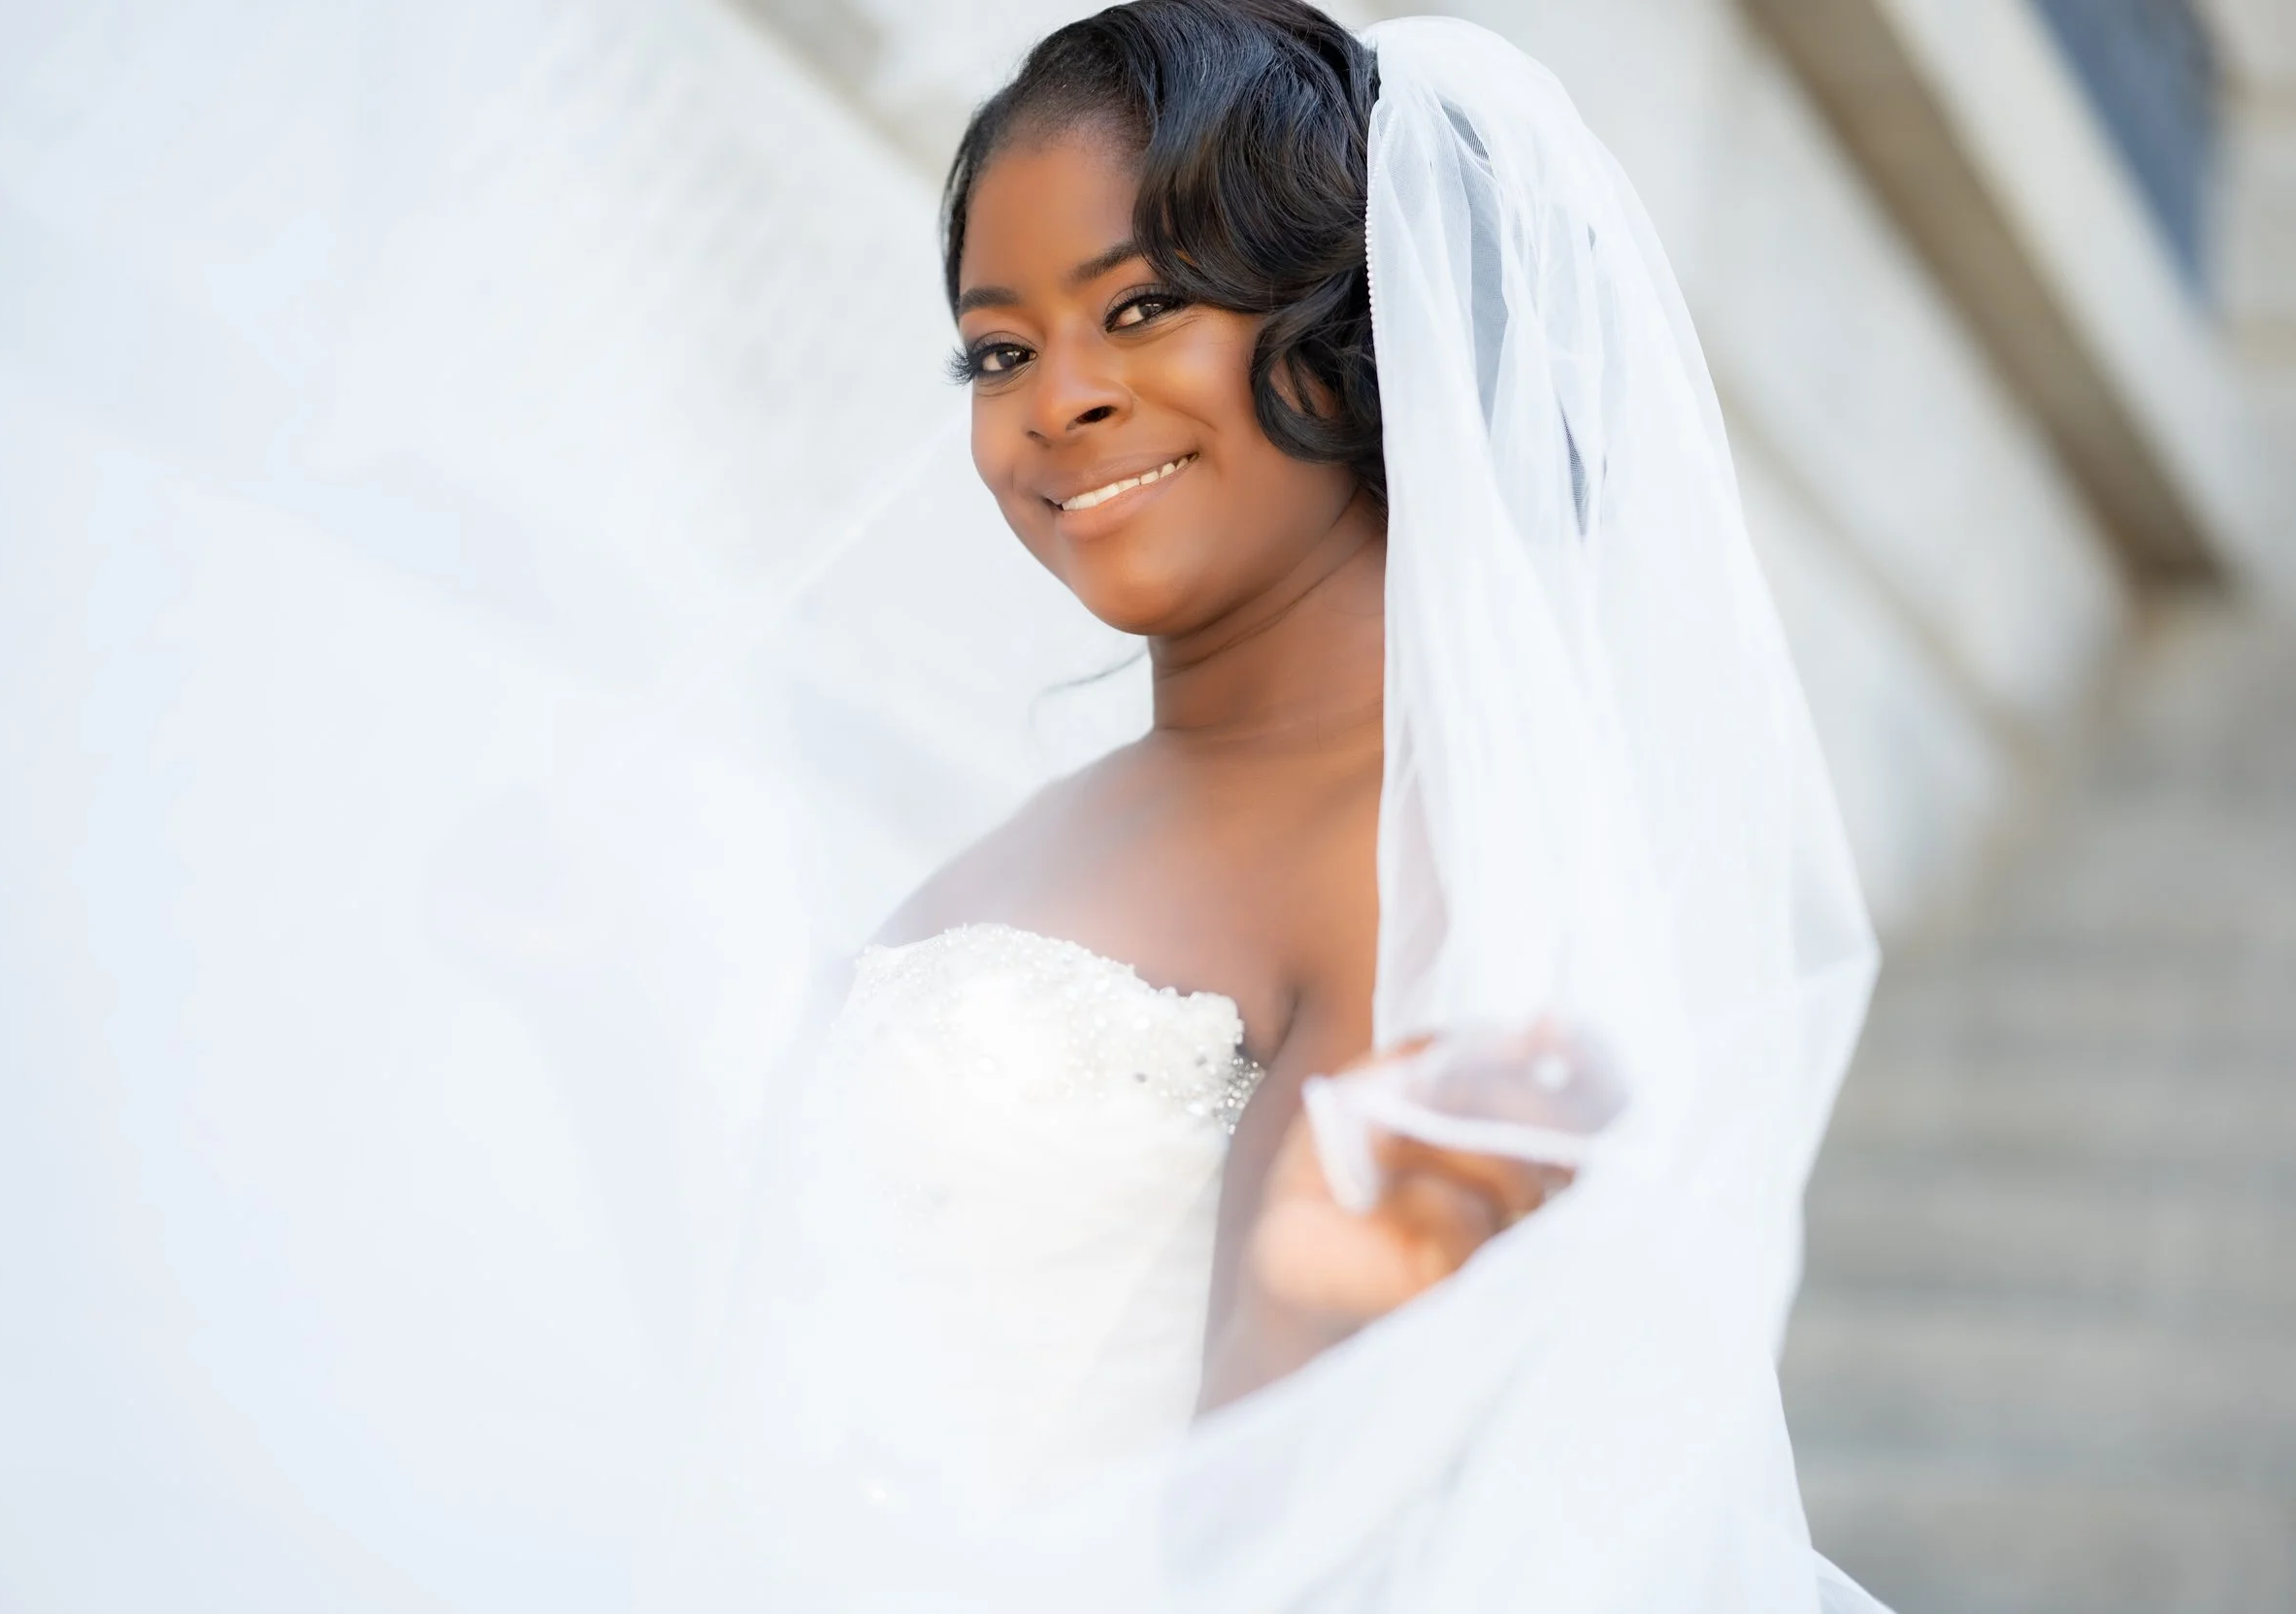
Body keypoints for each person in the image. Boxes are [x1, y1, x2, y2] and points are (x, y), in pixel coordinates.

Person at [689, 4, 1888, 1609]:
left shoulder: (1420, 868)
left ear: (1347, 326)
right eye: (1000, 348)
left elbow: (1275, 1536)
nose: (1058, 403)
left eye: (1142, 305)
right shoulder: (1076, 815)